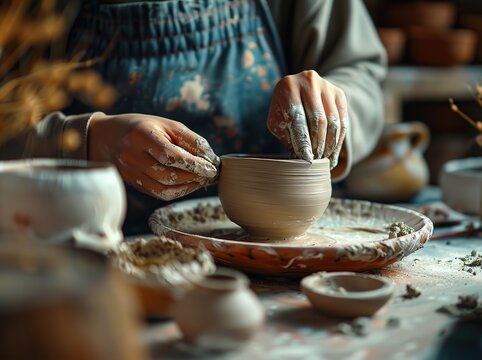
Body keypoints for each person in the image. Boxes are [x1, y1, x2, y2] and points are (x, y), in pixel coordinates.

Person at [1, 0, 386, 234]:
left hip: (274, 256)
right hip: (87, 253)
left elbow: (360, 69)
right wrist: (85, 139)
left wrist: (332, 102)